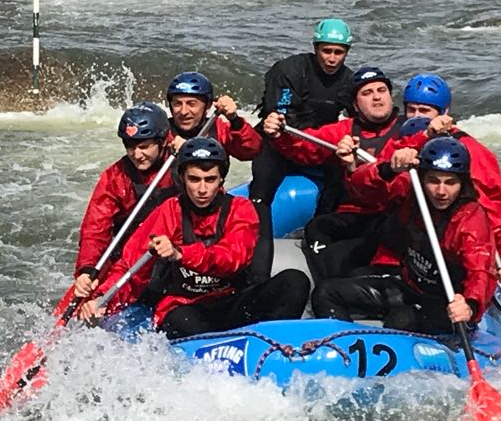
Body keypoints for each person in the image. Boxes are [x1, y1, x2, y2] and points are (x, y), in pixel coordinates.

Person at [78, 137, 311, 339]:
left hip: (232, 300)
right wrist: (102, 299)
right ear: (182, 178)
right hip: (187, 307)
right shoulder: (169, 211)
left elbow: (233, 259)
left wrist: (180, 254)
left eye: (210, 179)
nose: (202, 189)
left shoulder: (241, 209)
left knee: (295, 281)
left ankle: (271, 344)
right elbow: (131, 265)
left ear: (221, 180)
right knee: (181, 321)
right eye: (194, 179)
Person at [310, 137, 496, 340]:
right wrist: (388, 169)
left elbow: (481, 271)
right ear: (422, 179)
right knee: (326, 292)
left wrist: (470, 305)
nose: (441, 191)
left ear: (462, 183)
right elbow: (360, 187)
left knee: (401, 319)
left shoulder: (470, 219)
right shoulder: (412, 192)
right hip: (409, 287)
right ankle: (345, 346)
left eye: (450, 182)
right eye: (433, 181)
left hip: (446, 303)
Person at [276, 66, 431, 282]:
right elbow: (303, 146)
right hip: (355, 214)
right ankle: (330, 283)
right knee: (317, 228)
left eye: (381, 90)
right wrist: (279, 133)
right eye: (367, 93)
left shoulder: (409, 130)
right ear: (356, 105)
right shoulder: (344, 130)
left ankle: (346, 283)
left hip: (391, 214)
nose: (376, 97)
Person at [397, 72, 501, 287]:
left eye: (425, 110)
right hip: (414, 236)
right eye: (412, 109)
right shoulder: (404, 138)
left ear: (444, 113)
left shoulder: (469, 152)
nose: (417, 116)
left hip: (454, 239)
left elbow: (495, 209)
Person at [249, 19, 356, 225]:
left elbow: (359, 123)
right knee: (262, 187)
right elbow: (279, 116)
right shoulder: (289, 70)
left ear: (346, 52)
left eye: (339, 52)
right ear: (315, 48)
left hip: (318, 145)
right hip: (279, 141)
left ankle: (320, 230)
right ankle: (258, 232)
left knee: (341, 181)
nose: (332, 59)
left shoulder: (349, 81)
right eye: (326, 51)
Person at [70, 104, 176, 301]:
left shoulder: (182, 165)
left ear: (162, 142)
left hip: (173, 252)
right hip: (128, 256)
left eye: (144, 147)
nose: (137, 155)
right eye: (131, 147)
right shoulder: (115, 176)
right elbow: (95, 227)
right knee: (80, 295)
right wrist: (86, 269)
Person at [164, 71, 263, 161]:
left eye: (192, 104)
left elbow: (251, 151)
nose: (183, 111)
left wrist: (235, 120)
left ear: (207, 106)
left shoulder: (218, 130)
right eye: (177, 104)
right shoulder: (162, 131)